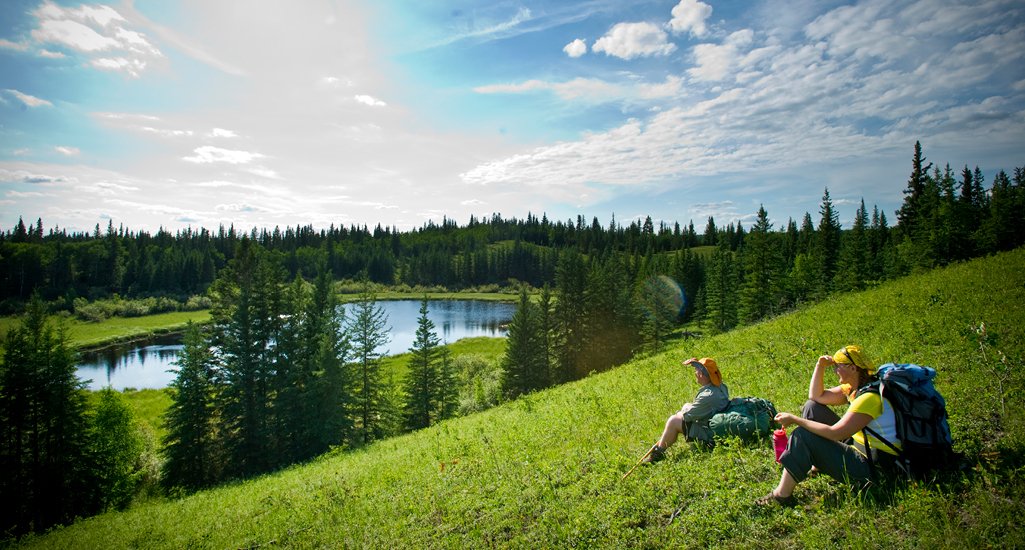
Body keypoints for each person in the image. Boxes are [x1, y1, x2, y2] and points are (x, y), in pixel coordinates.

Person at [756, 345, 901, 506]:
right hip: (861, 447)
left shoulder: (869, 399)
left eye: (838, 367)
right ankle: (819, 464)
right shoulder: (857, 388)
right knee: (812, 407)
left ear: (853, 368)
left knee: (801, 435)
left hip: (876, 470)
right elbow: (816, 396)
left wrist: (796, 420)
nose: (834, 371)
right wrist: (820, 367)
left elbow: (835, 434)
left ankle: (781, 496)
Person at [643, 357, 729, 464]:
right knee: (687, 405)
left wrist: (680, 413)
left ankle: (657, 454)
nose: (695, 373)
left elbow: (687, 416)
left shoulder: (707, 396)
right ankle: (662, 445)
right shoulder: (719, 386)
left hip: (711, 436)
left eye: (696, 371)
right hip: (713, 423)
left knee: (673, 421)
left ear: (701, 374)